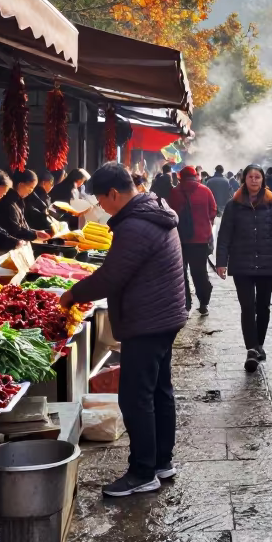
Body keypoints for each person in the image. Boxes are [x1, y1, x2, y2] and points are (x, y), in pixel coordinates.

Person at [59, 163, 186, 496]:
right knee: (159, 390)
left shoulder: (135, 226)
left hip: (148, 319)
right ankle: (161, 461)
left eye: (102, 201)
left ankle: (143, 472)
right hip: (164, 314)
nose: (103, 208)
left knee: (135, 397)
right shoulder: (155, 210)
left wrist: (72, 295)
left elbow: (111, 277)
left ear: (114, 193)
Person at [215, 165, 272, 372]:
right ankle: (251, 349)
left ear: (263, 180)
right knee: (247, 307)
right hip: (241, 263)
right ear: (244, 180)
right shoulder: (234, 205)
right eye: (251, 177)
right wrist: (221, 261)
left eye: (258, 177)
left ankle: (259, 344)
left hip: (267, 263)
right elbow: (224, 236)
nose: (254, 180)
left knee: (263, 307)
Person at [168, 166, 217, 315]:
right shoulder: (205, 190)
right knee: (200, 272)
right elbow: (213, 211)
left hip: (179, 239)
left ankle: (185, 305)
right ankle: (203, 303)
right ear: (196, 176)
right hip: (200, 240)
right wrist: (205, 225)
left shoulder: (174, 192)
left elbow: (169, 213)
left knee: (181, 273)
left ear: (180, 178)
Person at [0, 170, 52, 244]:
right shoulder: (9, 203)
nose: (31, 191)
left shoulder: (18, 201)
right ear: (21, 185)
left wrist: (35, 232)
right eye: (31, 187)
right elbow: (15, 230)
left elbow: (21, 226)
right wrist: (34, 235)